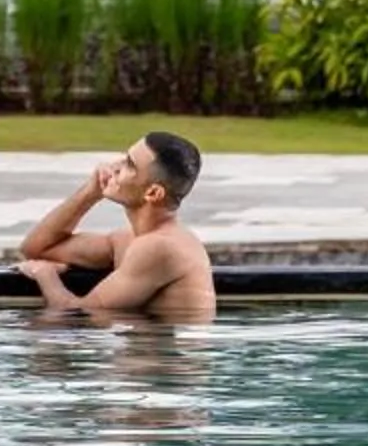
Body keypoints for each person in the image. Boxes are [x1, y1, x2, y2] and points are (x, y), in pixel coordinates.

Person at [13, 131, 216, 321]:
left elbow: (78, 314)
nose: (115, 167)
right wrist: (90, 193)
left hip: (168, 359)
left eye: (129, 165)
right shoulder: (128, 240)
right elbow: (37, 248)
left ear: (153, 193)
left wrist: (44, 274)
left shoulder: (160, 247)